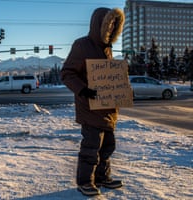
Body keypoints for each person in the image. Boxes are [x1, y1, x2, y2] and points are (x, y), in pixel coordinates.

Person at [60, 7, 125, 196]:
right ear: (99, 24)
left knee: (108, 145)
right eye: (109, 22)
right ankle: (85, 181)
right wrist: (83, 90)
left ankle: (102, 177)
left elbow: (109, 78)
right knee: (91, 146)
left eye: (115, 23)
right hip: (89, 107)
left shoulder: (107, 48)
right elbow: (67, 73)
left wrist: (122, 91)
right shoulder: (82, 45)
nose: (111, 26)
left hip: (108, 109)